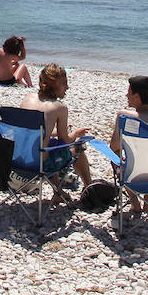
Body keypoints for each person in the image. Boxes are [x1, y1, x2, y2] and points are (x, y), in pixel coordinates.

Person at [20, 64, 93, 196]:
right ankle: (90, 189)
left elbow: (35, 132)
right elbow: (65, 141)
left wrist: (53, 133)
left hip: (18, 159)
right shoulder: (59, 107)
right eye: (64, 83)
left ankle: (58, 193)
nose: (67, 87)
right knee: (77, 148)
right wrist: (76, 134)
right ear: (53, 85)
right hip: (41, 164)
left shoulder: (28, 98)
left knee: (49, 144)